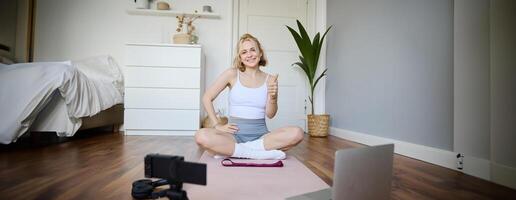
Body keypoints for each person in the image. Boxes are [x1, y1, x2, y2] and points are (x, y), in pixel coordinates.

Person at [195, 33, 304, 160]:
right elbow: (207, 97)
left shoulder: (270, 79)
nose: (249, 55)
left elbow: (270, 114)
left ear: (260, 53)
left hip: (261, 136)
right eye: (244, 52)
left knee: (297, 133)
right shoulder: (232, 74)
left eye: (253, 50)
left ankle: (234, 151)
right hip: (233, 136)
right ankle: (256, 153)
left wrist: (273, 98)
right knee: (200, 136)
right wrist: (217, 125)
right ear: (240, 57)